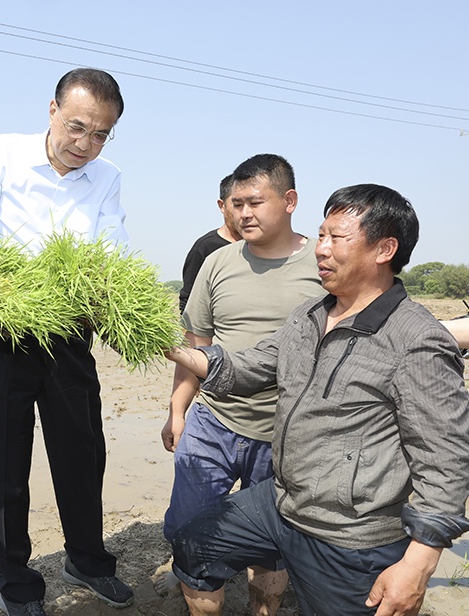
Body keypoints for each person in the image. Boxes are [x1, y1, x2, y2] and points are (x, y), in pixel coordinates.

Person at [165, 184, 469, 616]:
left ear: (385, 249)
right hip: (282, 502)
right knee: (194, 541)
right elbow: (247, 368)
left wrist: (418, 566)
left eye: (335, 238)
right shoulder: (309, 315)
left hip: (351, 536)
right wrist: (166, 344)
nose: (320, 250)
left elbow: (447, 464)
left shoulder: (416, 341)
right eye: (320, 235)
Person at [0, 68, 133, 616]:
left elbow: (111, 251)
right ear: (51, 109)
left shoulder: (107, 178)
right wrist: (13, 292)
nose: (86, 144)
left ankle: (87, 558)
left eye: (101, 134)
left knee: (82, 450)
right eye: (77, 126)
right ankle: (17, 580)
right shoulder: (0, 154)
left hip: (69, 334)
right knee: (5, 460)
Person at [160, 154, 324, 615]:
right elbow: (197, 347)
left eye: (256, 202)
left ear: (290, 201)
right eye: (237, 204)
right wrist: (177, 411)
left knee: (272, 542)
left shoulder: (325, 265)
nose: (244, 213)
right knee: (190, 531)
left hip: (286, 435)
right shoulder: (216, 263)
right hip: (214, 423)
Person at [177, 174, 240, 313]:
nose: (244, 212)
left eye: (253, 203)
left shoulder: (263, 245)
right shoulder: (205, 248)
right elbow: (188, 302)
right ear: (222, 205)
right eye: (237, 204)